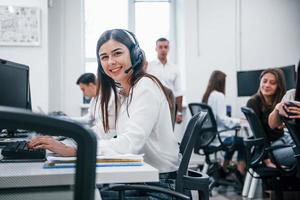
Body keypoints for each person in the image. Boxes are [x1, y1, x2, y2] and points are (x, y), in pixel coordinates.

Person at [29, 29, 180, 192]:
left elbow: (131, 143)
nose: (111, 62)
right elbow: (105, 129)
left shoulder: (145, 87)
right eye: (104, 57)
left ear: (134, 54)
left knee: (76, 192)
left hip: (160, 184)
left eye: (117, 53)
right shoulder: (125, 91)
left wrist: (76, 150)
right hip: (142, 178)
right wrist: (71, 140)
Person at [246, 68, 295, 168]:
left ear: (278, 86)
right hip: (271, 149)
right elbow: (258, 134)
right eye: (264, 81)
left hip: (283, 139)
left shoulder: (279, 101)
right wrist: (266, 160)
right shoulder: (253, 102)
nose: (267, 85)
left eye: (272, 83)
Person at [202, 70, 246, 176]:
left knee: (234, 142)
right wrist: (239, 121)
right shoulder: (219, 95)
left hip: (207, 138)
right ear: (221, 82)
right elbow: (222, 119)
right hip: (218, 137)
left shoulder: (207, 95)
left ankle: (224, 168)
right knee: (243, 143)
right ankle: (240, 173)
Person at [147, 38, 183, 124]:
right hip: (154, 106)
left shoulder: (174, 68)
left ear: (168, 48)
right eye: (160, 47)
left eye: (166, 47)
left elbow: (178, 92)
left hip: (171, 105)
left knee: (169, 133)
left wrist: (179, 112)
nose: (163, 49)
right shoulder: (149, 67)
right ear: (156, 48)